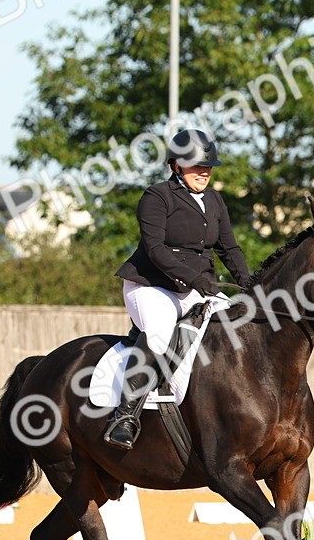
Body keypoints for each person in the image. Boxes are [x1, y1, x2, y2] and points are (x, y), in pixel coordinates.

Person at [104, 129, 252, 450]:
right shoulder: (157, 197)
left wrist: (249, 283)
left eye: (208, 167)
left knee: (238, 327)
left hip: (200, 288)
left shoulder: (214, 200)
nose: (204, 172)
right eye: (198, 166)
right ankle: (124, 416)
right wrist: (191, 278)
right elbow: (155, 248)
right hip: (154, 286)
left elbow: (229, 249)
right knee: (158, 332)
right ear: (176, 166)